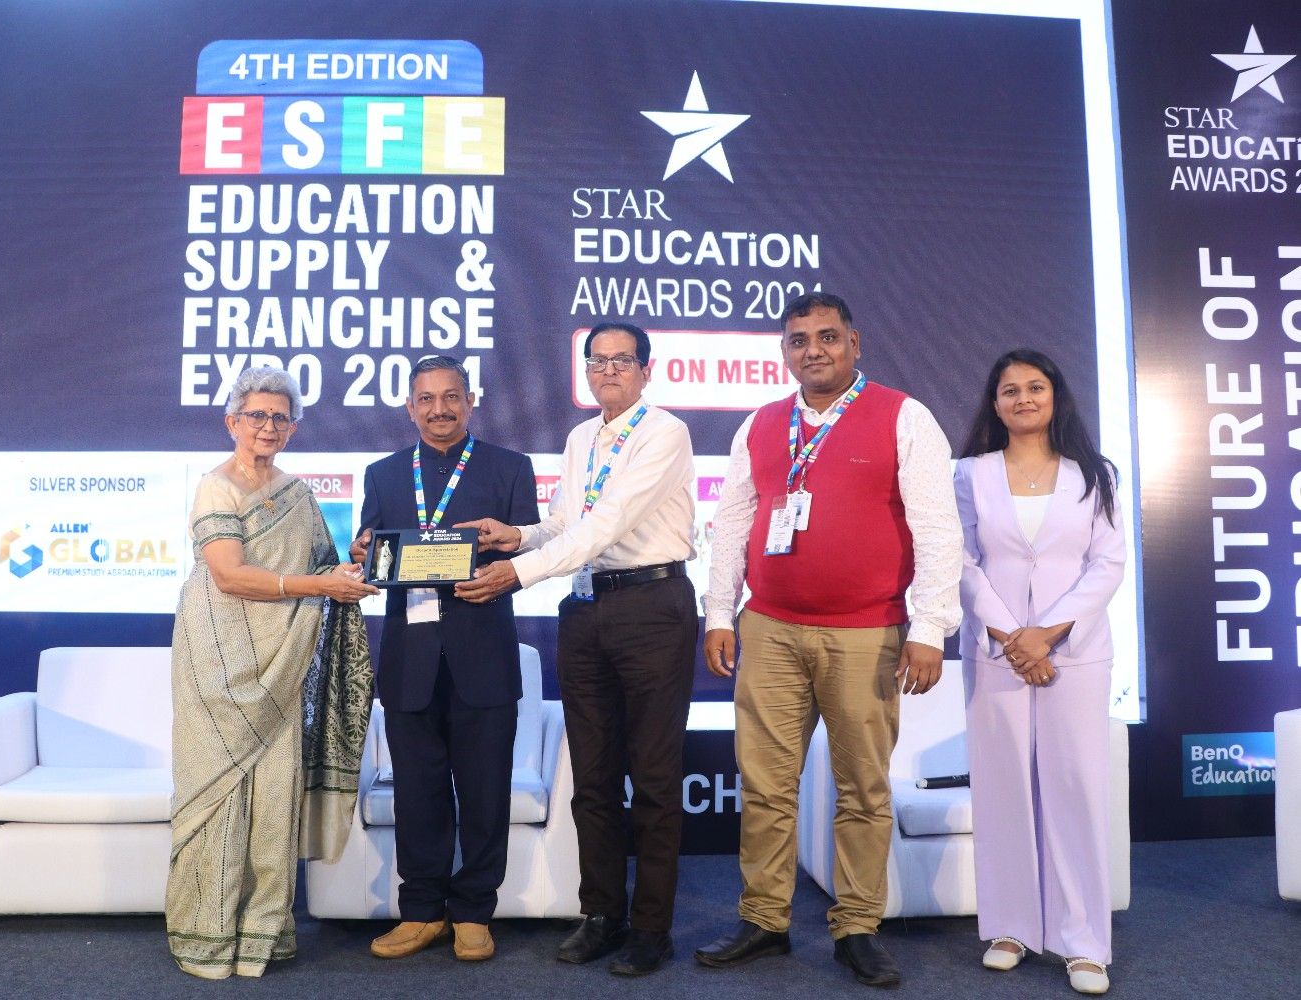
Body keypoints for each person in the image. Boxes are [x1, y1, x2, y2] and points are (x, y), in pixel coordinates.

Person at [698, 292, 961, 988]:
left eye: (827, 337)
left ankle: (857, 927)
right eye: (798, 340)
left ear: (854, 342)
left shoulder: (904, 416)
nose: (812, 350)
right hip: (769, 628)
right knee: (765, 785)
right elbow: (732, 521)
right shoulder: (761, 424)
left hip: (867, 633)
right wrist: (719, 612)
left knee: (863, 789)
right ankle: (764, 919)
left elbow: (938, 527)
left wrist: (930, 626)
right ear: (784, 352)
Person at [457, 321, 698, 977]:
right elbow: (570, 521)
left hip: (652, 606)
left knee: (654, 778)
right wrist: (519, 536)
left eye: (622, 360)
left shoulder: (665, 433)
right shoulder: (581, 438)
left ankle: (651, 928)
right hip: (587, 610)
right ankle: (602, 914)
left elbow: (607, 525)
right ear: (586, 370)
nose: (609, 370)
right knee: (592, 777)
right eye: (598, 360)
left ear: (646, 370)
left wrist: (519, 572)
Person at [165, 366, 378, 980]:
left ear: (293, 428)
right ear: (232, 421)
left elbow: (326, 567)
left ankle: (260, 935)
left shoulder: (298, 495)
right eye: (256, 415)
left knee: (275, 795)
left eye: (279, 418)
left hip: (282, 664)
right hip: (217, 659)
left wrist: (358, 562)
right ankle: (205, 936)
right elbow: (229, 575)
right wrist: (320, 585)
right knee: (216, 793)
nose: (267, 426)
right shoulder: (216, 487)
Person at [350, 356, 538, 962]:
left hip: (484, 655)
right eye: (427, 399)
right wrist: (362, 553)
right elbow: (370, 559)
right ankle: (422, 911)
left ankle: (475, 913)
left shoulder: (510, 468)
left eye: (451, 397)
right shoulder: (382, 474)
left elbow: (532, 556)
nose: (440, 409)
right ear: (410, 408)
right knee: (417, 793)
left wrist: (505, 567)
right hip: (410, 659)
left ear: (470, 401)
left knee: (485, 793)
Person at [955, 349, 1124, 996]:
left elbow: (1107, 563)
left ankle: (1085, 943)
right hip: (996, 654)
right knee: (1002, 786)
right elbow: (962, 562)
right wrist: (1010, 635)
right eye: (1009, 390)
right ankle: (1010, 928)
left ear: (1055, 397)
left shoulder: (1094, 474)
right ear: (994, 403)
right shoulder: (969, 474)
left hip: (1073, 653)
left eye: (1035, 387)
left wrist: (1045, 633)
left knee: (1076, 787)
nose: (1023, 398)